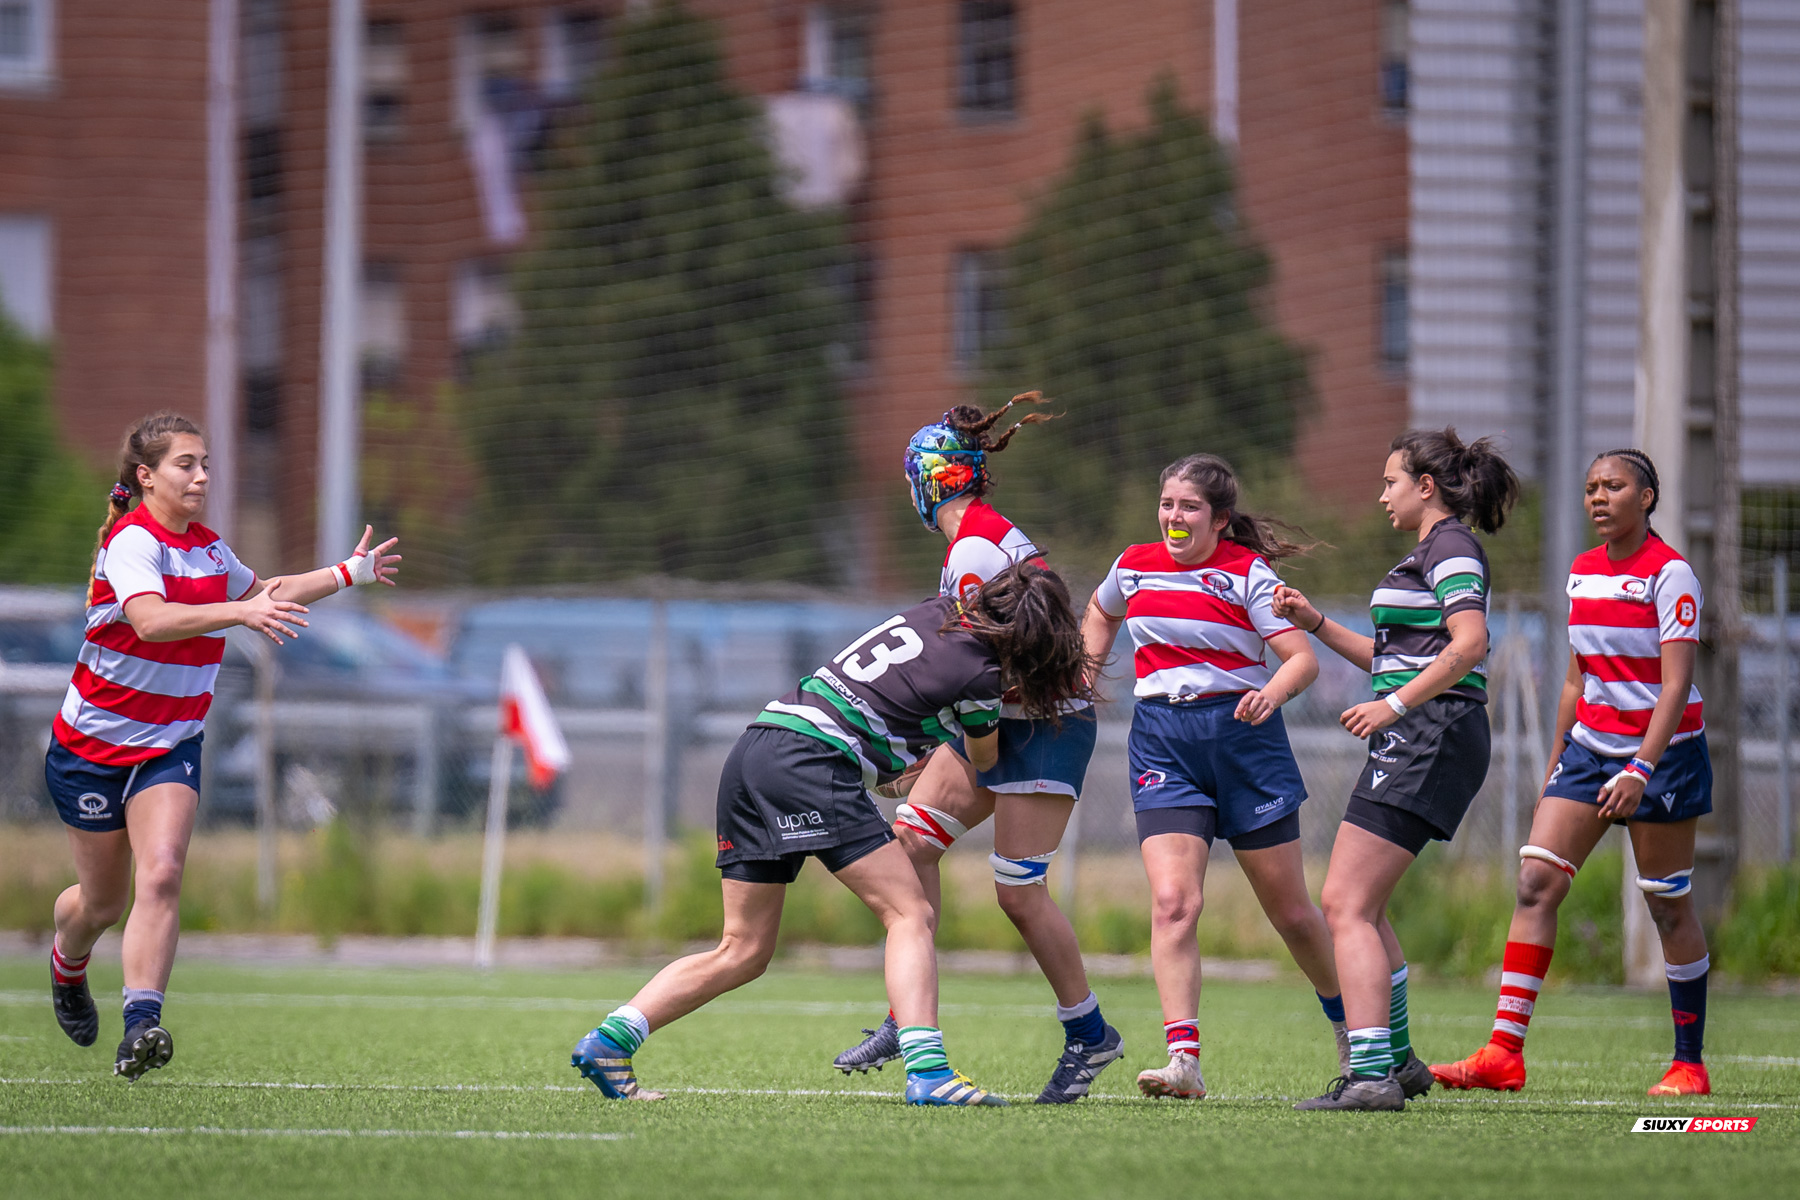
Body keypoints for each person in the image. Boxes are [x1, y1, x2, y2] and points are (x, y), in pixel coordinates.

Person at [571, 563, 1098, 1107]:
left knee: (743, 948)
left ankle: (610, 1041)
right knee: (909, 914)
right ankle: (930, 1071)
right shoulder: (981, 677)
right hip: (812, 762)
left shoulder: (934, 611)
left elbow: (893, 701)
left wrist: (892, 756)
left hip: (758, 746)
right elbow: (983, 756)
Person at [46, 412, 401, 1080]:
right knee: (100, 903)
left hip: (170, 746)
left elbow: (266, 592)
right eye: (187, 464)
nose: (202, 476)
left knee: (161, 874)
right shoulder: (131, 544)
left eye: (206, 463)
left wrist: (347, 573)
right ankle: (68, 964)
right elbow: (150, 621)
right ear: (145, 477)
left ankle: (140, 1026)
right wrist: (239, 612)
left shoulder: (209, 549)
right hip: (89, 749)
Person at [832, 395, 1121, 1105]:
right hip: (1000, 716)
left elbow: (982, 671)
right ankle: (910, 1016)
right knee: (912, 846)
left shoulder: (973, 554)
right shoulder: (978, 543)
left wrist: (929, 740)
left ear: (928, 481)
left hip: (1042, 726)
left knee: (1017, 892)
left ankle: (1090, 1035)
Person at [1431, 449, 1715, 1098]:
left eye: (1613, 486)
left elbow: (1677, 686)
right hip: (1589, 751)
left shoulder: (1670, 576)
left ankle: (1688, 1065)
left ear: (1646, 498)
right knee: (1535, 882)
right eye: (1590, 487)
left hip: (1663, 754)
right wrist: (1559, 762)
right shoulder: (1583, 573)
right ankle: (1503, 1053)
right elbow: (1575, 677)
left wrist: (1642, 768)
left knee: (1667, 906)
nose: (1598, 497)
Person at [1080, 453, 1349, 1101]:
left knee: (1291, 912)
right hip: (1162, 742)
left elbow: (1300, 660)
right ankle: (1184, 1062)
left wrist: (1271, 693)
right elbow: (1098, 609)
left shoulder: (1246, 574)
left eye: (1189, 507)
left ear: (1220, 520)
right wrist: (1085, 676)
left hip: (1243, 742)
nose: (1174, 517)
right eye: (1167, 503)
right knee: (1174, 904)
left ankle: (1357, 1035)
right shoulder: (1134, 563)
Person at [1275, 428, 1519, 1111]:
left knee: (1344, 904)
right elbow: (1396, 657)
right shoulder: (1429, 553)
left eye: (1390, 482)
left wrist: (1394, 706)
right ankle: (1400, 1064)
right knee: (1362, 905)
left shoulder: (1451, 548)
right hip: (1421, 731)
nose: (1381, 494)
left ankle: (1373, 1074)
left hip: (1431, 732)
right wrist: (1317, 622)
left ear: (1426, 487)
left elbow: (1468, 645)